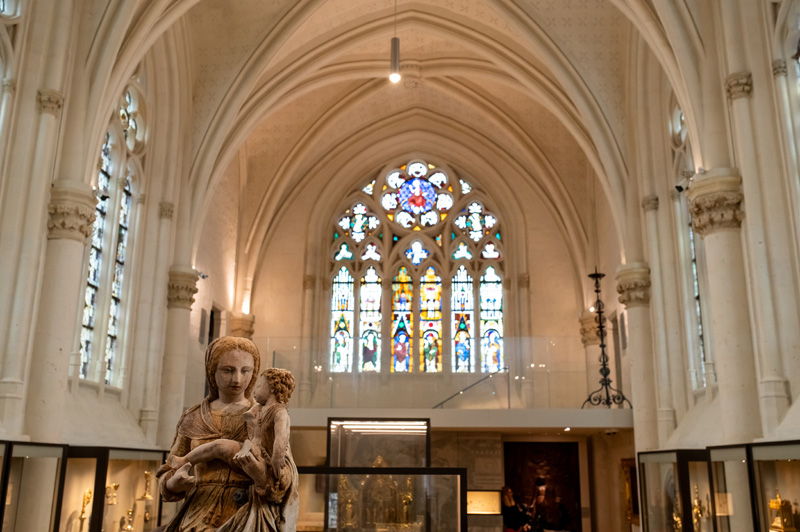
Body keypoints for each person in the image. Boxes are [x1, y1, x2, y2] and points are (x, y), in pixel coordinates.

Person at [156, 336, 261, 532]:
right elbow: (169, 470)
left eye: (245, 371)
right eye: (228, 370)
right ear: (212, 371)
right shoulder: (193, 417)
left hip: (247, 512)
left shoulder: (261, 416)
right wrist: (174, 483)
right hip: (198, 512)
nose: (237, 379)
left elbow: (280, 474)